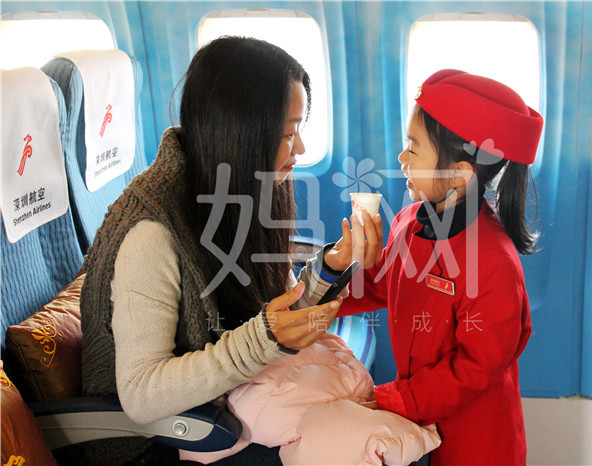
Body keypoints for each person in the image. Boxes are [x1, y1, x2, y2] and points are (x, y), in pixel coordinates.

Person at [76, 36, 380, 465]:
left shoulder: (252, 187)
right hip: (161, 441)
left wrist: (331, 269)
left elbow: (277, 311)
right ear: (241, 133)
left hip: (234, 401)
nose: (300, 149)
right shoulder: (150, 233)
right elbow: (142, 395)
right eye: (288, 133)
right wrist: (263, 340)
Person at [326, 69, 544, 465]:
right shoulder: (409, 222)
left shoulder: (493, 261)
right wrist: (325, 289)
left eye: (413, 149)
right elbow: (382, 283)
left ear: (459, 174)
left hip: (475, 440)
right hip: (418, 420)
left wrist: (388, 400)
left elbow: (475, 368)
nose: (401, 159)